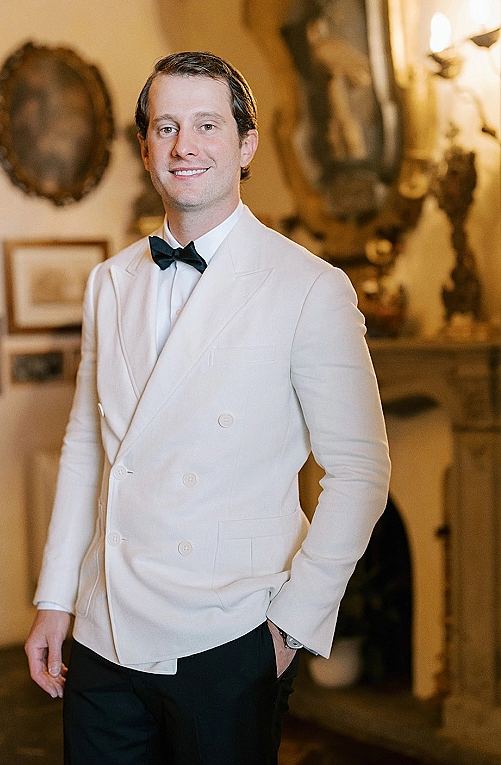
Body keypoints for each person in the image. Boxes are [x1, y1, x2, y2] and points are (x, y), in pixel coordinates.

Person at [25, 50, 390, 765]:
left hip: (229, 635)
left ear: (245, 143)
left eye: (206, 124)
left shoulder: (309, 287)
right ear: (144, 147)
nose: (184, 146)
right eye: (165, 127)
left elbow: (360, 470)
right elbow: (86, 447)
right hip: (104, 632)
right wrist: (56, 596)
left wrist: (290, 627)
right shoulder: (110, 281)